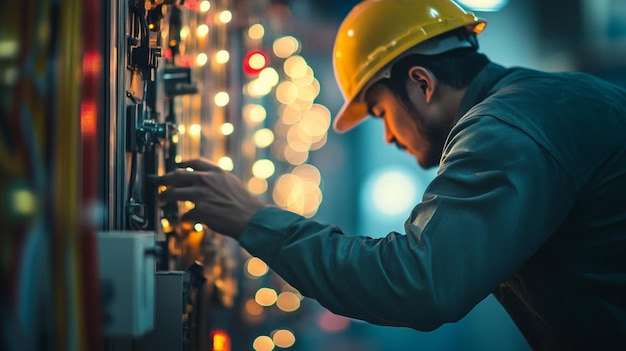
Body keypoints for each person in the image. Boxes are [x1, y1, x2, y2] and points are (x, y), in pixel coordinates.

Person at [159, 0, 626, 349]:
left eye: (380, 111)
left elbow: (419, 282)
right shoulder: (547, 100)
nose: (386, 137)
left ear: (421, 82)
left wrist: (254, 219)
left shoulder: (505, 128)